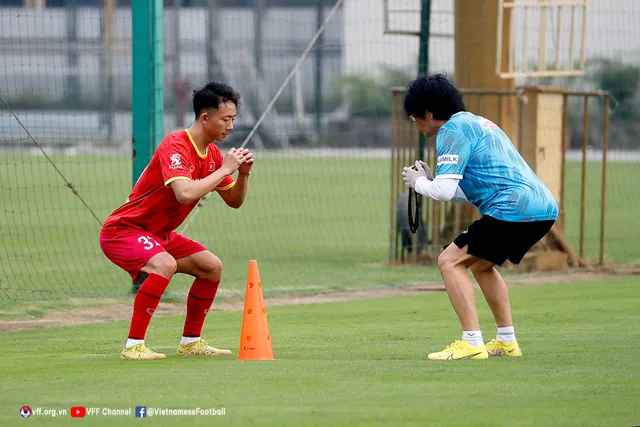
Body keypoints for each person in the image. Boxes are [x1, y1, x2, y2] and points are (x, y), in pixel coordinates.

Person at [401, 74, 558, 361]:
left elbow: (444, 193)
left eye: (415, 118)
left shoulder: (451, 131)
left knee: (448, 262)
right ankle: (506, 342)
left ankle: (471, 343)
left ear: (428, 112)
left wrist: (418, 183)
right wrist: (432, 180)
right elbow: (463, 190)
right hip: (542, 208)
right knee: (481, 265)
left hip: (513, 208)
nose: (417, 125)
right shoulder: (477, 122)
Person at [100, 82, 254, 360]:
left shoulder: (214, 156)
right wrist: (226, 170)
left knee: (211, 267)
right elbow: (184, 194)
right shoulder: (176, 144)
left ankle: (190, 342)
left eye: (233, 119)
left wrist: (241, 174)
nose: (230, 126)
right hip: (123, 231)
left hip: (158, 234)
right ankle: (133, 346)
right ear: (205, 117)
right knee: (165, 264)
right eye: (226, 119)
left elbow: (234, 201)